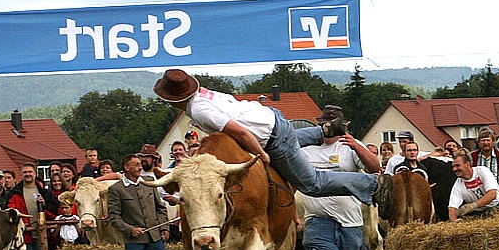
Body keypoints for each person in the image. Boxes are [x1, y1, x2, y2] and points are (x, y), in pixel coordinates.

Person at [153, 68, 388, 206]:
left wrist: (260, 154)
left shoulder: (200, 110)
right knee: (289, 142)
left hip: (271, 139)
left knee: (312, 184)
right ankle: (324, 130)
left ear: (171, 99)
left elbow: (240, 132)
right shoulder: (205, 95)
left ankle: (372, 185)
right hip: (272, 118)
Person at [299, 106, 381, 250]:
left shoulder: (350, 147)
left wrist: (356, 146)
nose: (328, 129)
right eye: (324, 124)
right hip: (318, 219)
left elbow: (375, 168)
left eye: (332, 124)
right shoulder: (306, 149)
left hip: (350, 221)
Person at [6, 163, 55, 250]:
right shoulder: (16, 192)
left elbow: (53, 209)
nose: (28, 174)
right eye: (25, 172)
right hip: (24, 235)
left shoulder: (43, 191)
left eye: (30, 172)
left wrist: (44, 203)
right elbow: (11, 211)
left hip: (41, 235)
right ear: (22, 174)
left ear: (35, 174)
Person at [448, 152, 499, 221]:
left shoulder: (482, 171)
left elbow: (492, 194)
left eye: (457, 165)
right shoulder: (458, 184)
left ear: (468, 164)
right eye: (453, 167)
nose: (454, 169)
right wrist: (454, 221)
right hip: (480, 212)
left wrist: (472, 206)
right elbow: (452, 207)